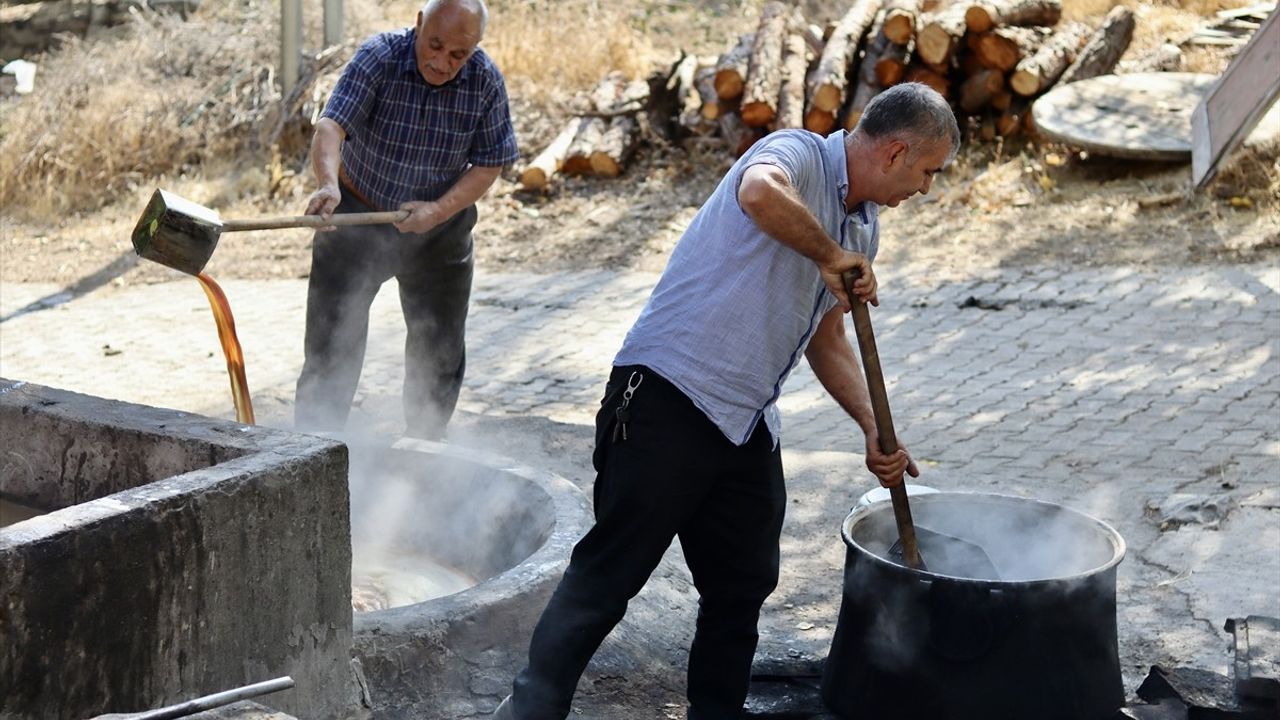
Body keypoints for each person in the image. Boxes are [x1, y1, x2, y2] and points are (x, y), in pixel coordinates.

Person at [495, 82, 960, 720]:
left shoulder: (863, 227)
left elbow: (826, 336)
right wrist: (828, 252)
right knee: (609, 576)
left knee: (741, 586)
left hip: (744, 424)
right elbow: (758, 193)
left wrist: (874, 427)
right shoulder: (794, 154)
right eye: (928, 172)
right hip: (666, 397)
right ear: (896, 151)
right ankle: (529, 712)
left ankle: (716, 711)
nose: (926, 189)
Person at [294, 0, 517, 440]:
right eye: (434, 45)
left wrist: (438, 211)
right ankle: (312, 448)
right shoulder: (380, 56)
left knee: (440, 347)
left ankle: (426, 447)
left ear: (475, 47)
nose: (442, 62)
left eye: (458, 54)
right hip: (357, 211)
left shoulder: (485, 80)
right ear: (418, 25)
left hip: (441, 225)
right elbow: (331, 127)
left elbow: (490, 164)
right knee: (332, 339)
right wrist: (327, 185)